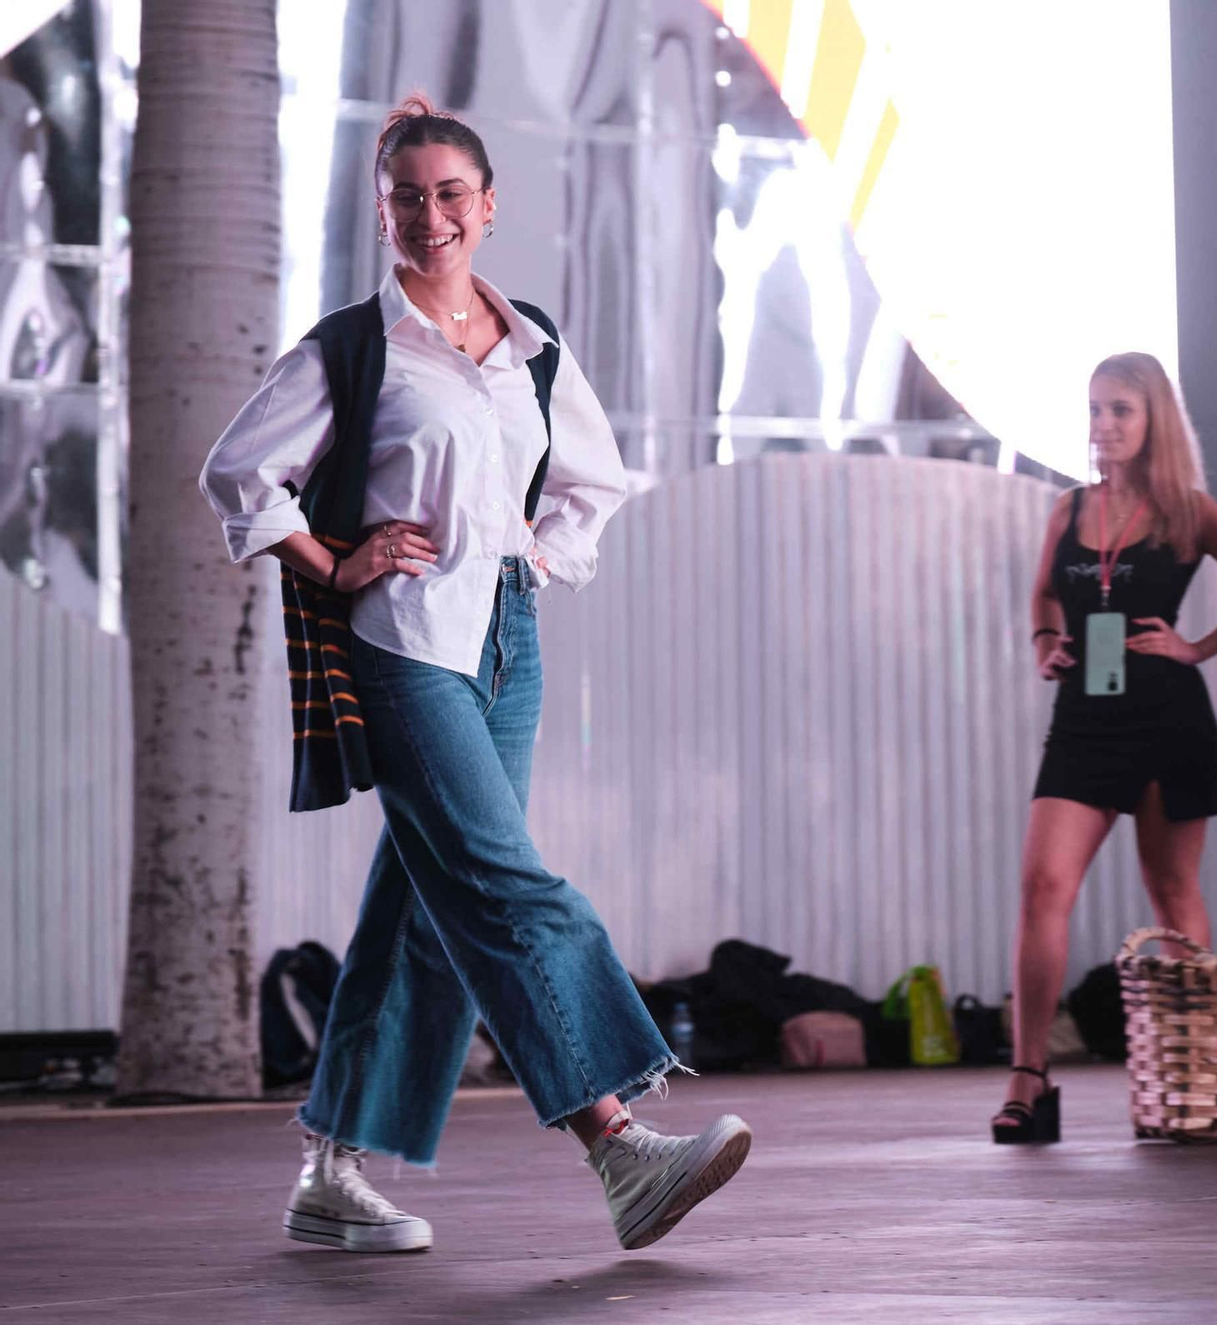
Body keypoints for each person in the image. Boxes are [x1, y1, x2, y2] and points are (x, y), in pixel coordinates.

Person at [198, 94, 750, 1251]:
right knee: (502, 881)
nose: (431, 214)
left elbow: (586, 479)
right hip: (402, 643)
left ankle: (330, 1169)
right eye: (409, 197)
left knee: (421, 902)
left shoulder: (532, 342)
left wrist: (538, 557)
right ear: (384, 213)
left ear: (487, 208)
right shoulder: (355, 347)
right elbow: (242, 470)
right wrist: (331, 558)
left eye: (452, 195)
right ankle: (620, 1145)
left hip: (508, 639)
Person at [994, 351, 1217, 1143]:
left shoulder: (1189, 508)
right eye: (1095, 409)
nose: (1104, 425)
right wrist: (1044, 640)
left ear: (1154, 417)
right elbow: (1045, 590)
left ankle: (1198, 1070)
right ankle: (1030, 1079)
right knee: (1043, 883)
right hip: (1085, 716)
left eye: (1120, 409)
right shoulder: (1069, 508)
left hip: (1169, 718)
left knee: (1172, 895)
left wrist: (1197, 646)